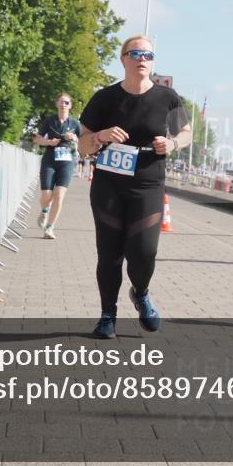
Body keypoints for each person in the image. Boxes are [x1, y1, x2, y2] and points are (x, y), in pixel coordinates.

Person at [78, 36, 191, 339]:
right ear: (123, 59)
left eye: (149, 55)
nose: (143, 59)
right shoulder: (104, 98)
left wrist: (172, 143)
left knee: (144, 252)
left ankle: (140, 292)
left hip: (148, 185)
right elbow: (82, 145)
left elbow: (186, 133)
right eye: (136, 53)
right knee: (110, 253)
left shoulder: (167, 97)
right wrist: (101, 136)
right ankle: (107, 316)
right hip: (108, 186)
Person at [32, 93, 82, 240]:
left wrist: (74, 138)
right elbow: (36, 139)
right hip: (50, 159)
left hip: (67, 161)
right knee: (46, 195)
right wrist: (48, 142)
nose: (64, 105)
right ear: (57, 104)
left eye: (67, 103)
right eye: (61, 102)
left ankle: (50, 228)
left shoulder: (74, 124)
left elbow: (83, 142)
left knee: (59, 195)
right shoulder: (49, 121)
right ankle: (45, 210)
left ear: (70, 105)